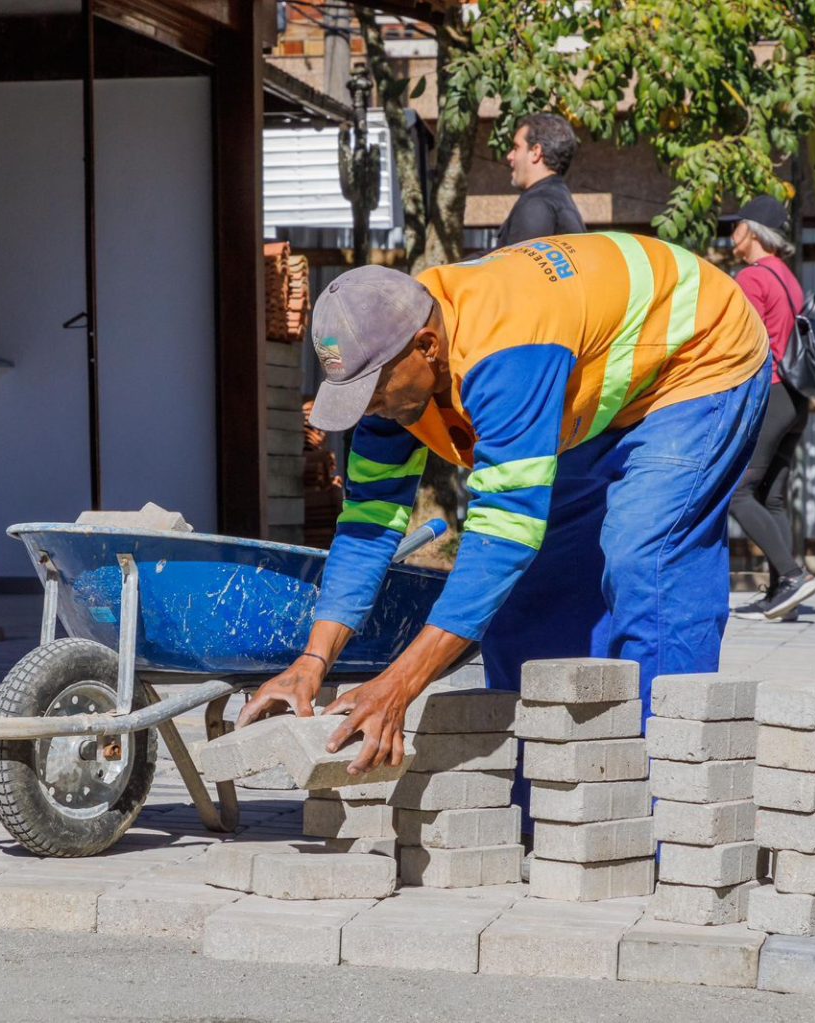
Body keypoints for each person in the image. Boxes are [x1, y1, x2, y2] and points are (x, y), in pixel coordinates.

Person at [235, 234, 769, 792]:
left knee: (643, 556)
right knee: (527, 597)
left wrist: (401, 684)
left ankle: (663, 789)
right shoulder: (388, 375)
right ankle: (553, 796)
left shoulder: (507, 352)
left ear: (427, 347)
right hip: (592, 382)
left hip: (696, 359)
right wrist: (313, 661)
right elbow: (368, 526)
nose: (370, 407)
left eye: (375, 390)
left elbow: (505, 530)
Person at [723, 194, 815, 621]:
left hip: (773, 393)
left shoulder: (751, 278)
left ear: (751, 232)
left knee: (738, 493)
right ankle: (784, 596)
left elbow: (742, 343)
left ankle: (793, 576)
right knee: (772, 497)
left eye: (736, 226)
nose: (732, 234)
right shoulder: (786, 275)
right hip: (797, 398)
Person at [495, 113, 586, 248]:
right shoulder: (558, 199)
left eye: (516, 148)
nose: (509, 156)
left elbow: (521, 259)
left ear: (535, 152)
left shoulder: (536, 204)